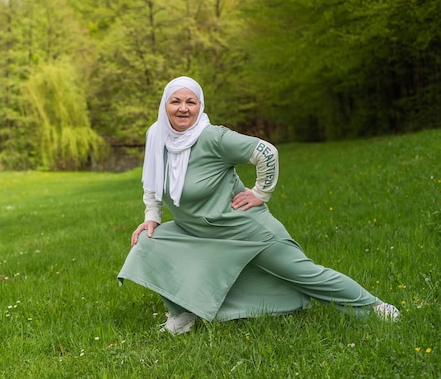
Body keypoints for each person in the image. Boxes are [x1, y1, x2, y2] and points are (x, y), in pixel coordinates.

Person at [117, 76, 400, 335]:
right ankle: (184, 312)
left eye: (190, 102)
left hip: (245, 229)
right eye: (175, 101)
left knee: (304, 274)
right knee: (148, 241)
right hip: (197, 231)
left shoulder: (214, 137)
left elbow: (266, 152)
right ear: (164, 105)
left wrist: (260, 193)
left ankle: (375, 307)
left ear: (200, 106)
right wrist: (152, 216)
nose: (183, 108)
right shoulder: (157, 137)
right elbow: (152, 180)